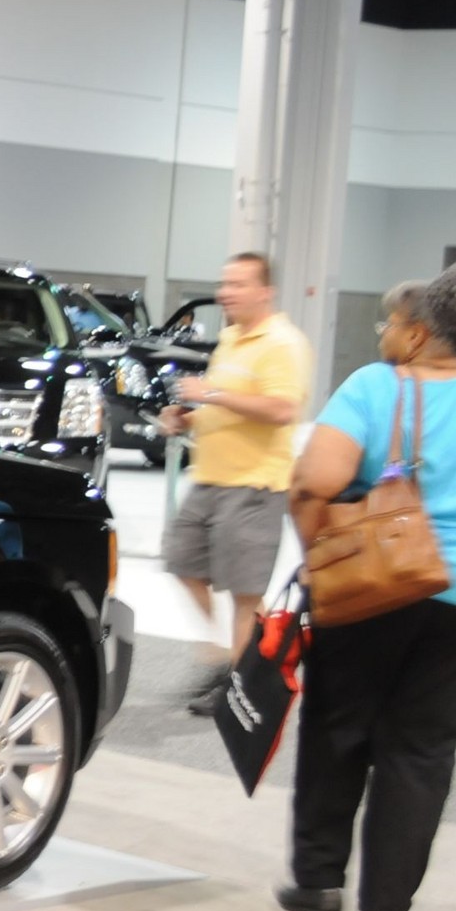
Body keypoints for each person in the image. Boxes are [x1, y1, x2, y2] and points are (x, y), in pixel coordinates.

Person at [276, 273, 456, 911]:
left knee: (337, 729)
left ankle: (318, 882)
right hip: (455, 605)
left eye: (388, 323)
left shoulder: (376, 386)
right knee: (422, 751)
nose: (381, 334)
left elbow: (313, 481)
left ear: (417, 333)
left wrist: (317, 554)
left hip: (367, 589)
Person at [160, 252, 311, 714]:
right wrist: (188, 419)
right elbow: (228, 406)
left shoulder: (283, 343)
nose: (226, 292)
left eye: (239, 284)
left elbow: (282, 410)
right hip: (209, 479)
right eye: (225, 283)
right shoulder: (230, 339)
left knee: (243, 591)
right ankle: (225, 658)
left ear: (265, 291)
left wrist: (210, 393)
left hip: (254, 485)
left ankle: (240, 683)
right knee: (183, 563)